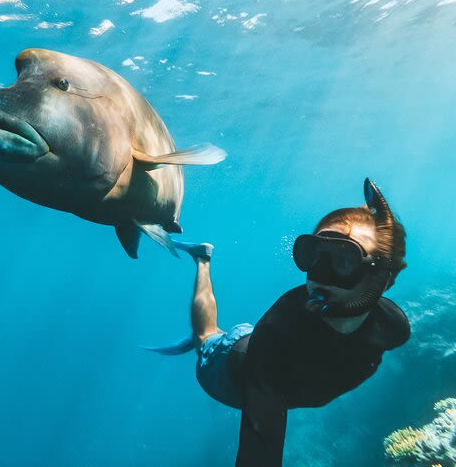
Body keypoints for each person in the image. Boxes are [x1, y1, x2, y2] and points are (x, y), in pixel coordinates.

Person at [143, 179, 410, 466]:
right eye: (314, 253)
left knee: (233, 334)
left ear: (382, 278)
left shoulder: (392, 325)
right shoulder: (276, 345)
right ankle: (203, 260)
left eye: (343, 259)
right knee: (206, 335)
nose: (318, 274)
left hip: (256, 340)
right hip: (228, 368)